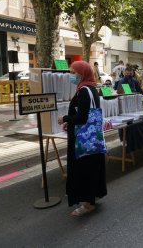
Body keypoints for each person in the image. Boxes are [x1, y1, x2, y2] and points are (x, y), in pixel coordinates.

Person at [57, 61, 107, 216]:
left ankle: (87, 204)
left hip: (83, 140)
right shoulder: (91, 88)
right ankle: (91, 199)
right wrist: (70, 122)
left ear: (82, 73)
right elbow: (83, 114)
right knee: (91, 168)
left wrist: (65, 118)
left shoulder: (84, 91)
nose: (71, 76)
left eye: (74, 73)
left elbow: (82, 117)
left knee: (84, 169)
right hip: (90, 138)